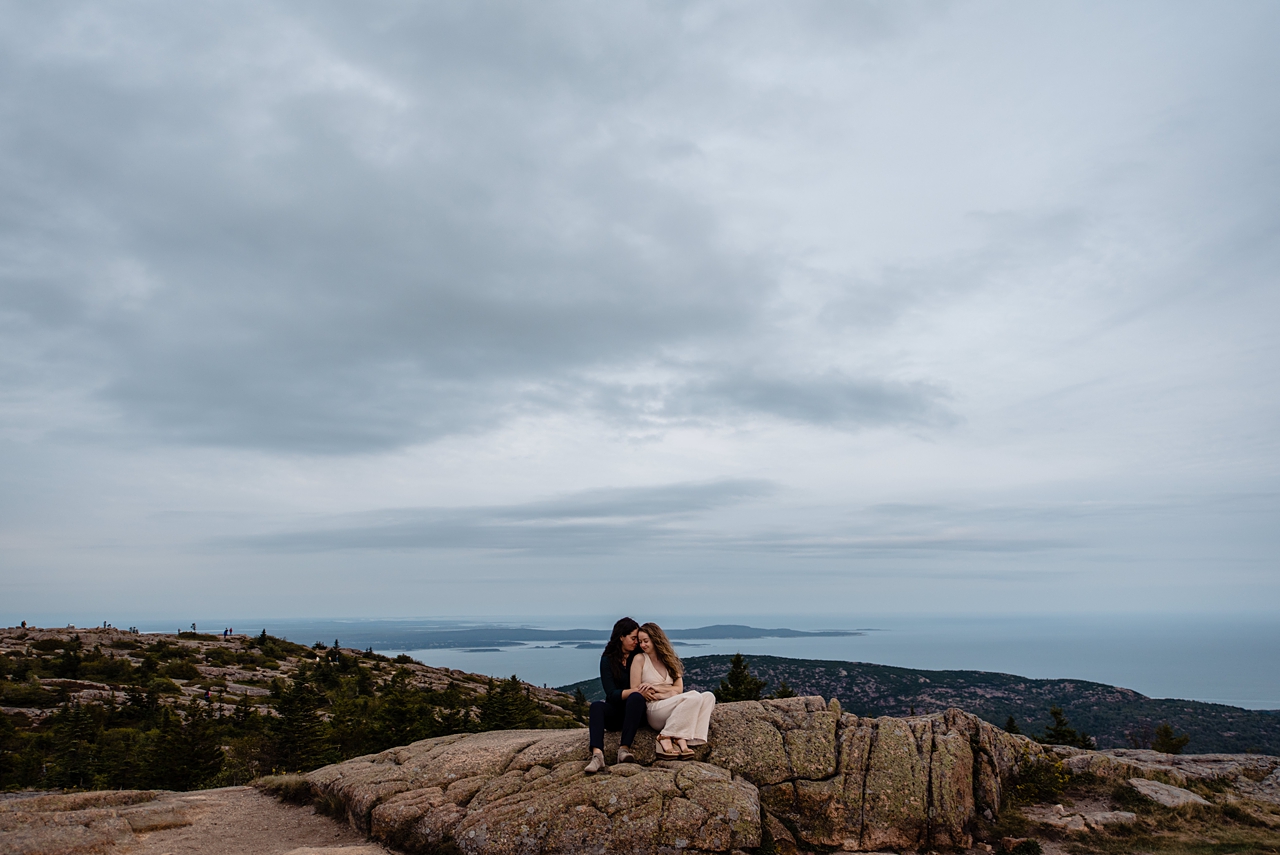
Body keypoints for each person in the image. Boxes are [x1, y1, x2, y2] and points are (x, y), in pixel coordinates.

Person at [631, 622, 716, 760]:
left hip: (672, 705)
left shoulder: (670, 659)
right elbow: (635, 689)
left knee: (709, 697)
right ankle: (665, 736)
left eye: (646, 641)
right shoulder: (640, 659)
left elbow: (678, 690)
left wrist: (658, 688)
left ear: (656, 639)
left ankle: (689, 737)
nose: (642, 645)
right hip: (655, 709)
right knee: (694, 696)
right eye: (640, 642)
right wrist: (668, 692)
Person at [585, 617, 647, 774]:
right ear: (621, 637)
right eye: (633, 638)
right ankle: (597, 756)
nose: (636, 642)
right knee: (596, 706)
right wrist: (635, 690)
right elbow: (611, 694)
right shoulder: (607, 660)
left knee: (636, 699)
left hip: (636, 713)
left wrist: (636, 693)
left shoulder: (639, 656)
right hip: (616, 713)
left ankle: (624, 750)